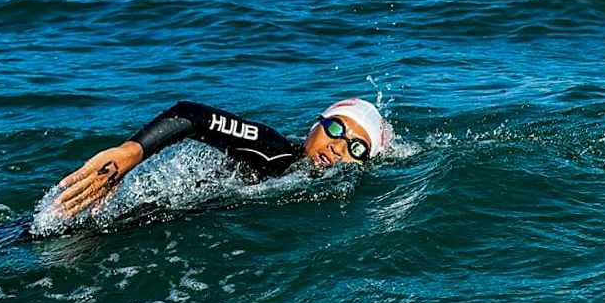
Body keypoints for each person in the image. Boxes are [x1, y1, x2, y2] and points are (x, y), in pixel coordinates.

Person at [52, 98, 388, 220]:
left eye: (357, 148)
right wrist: (129, 154)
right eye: (335, 128)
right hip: (126, 217)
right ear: (315, 125)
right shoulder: (275, 152)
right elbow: (192, 115)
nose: (338, 147)